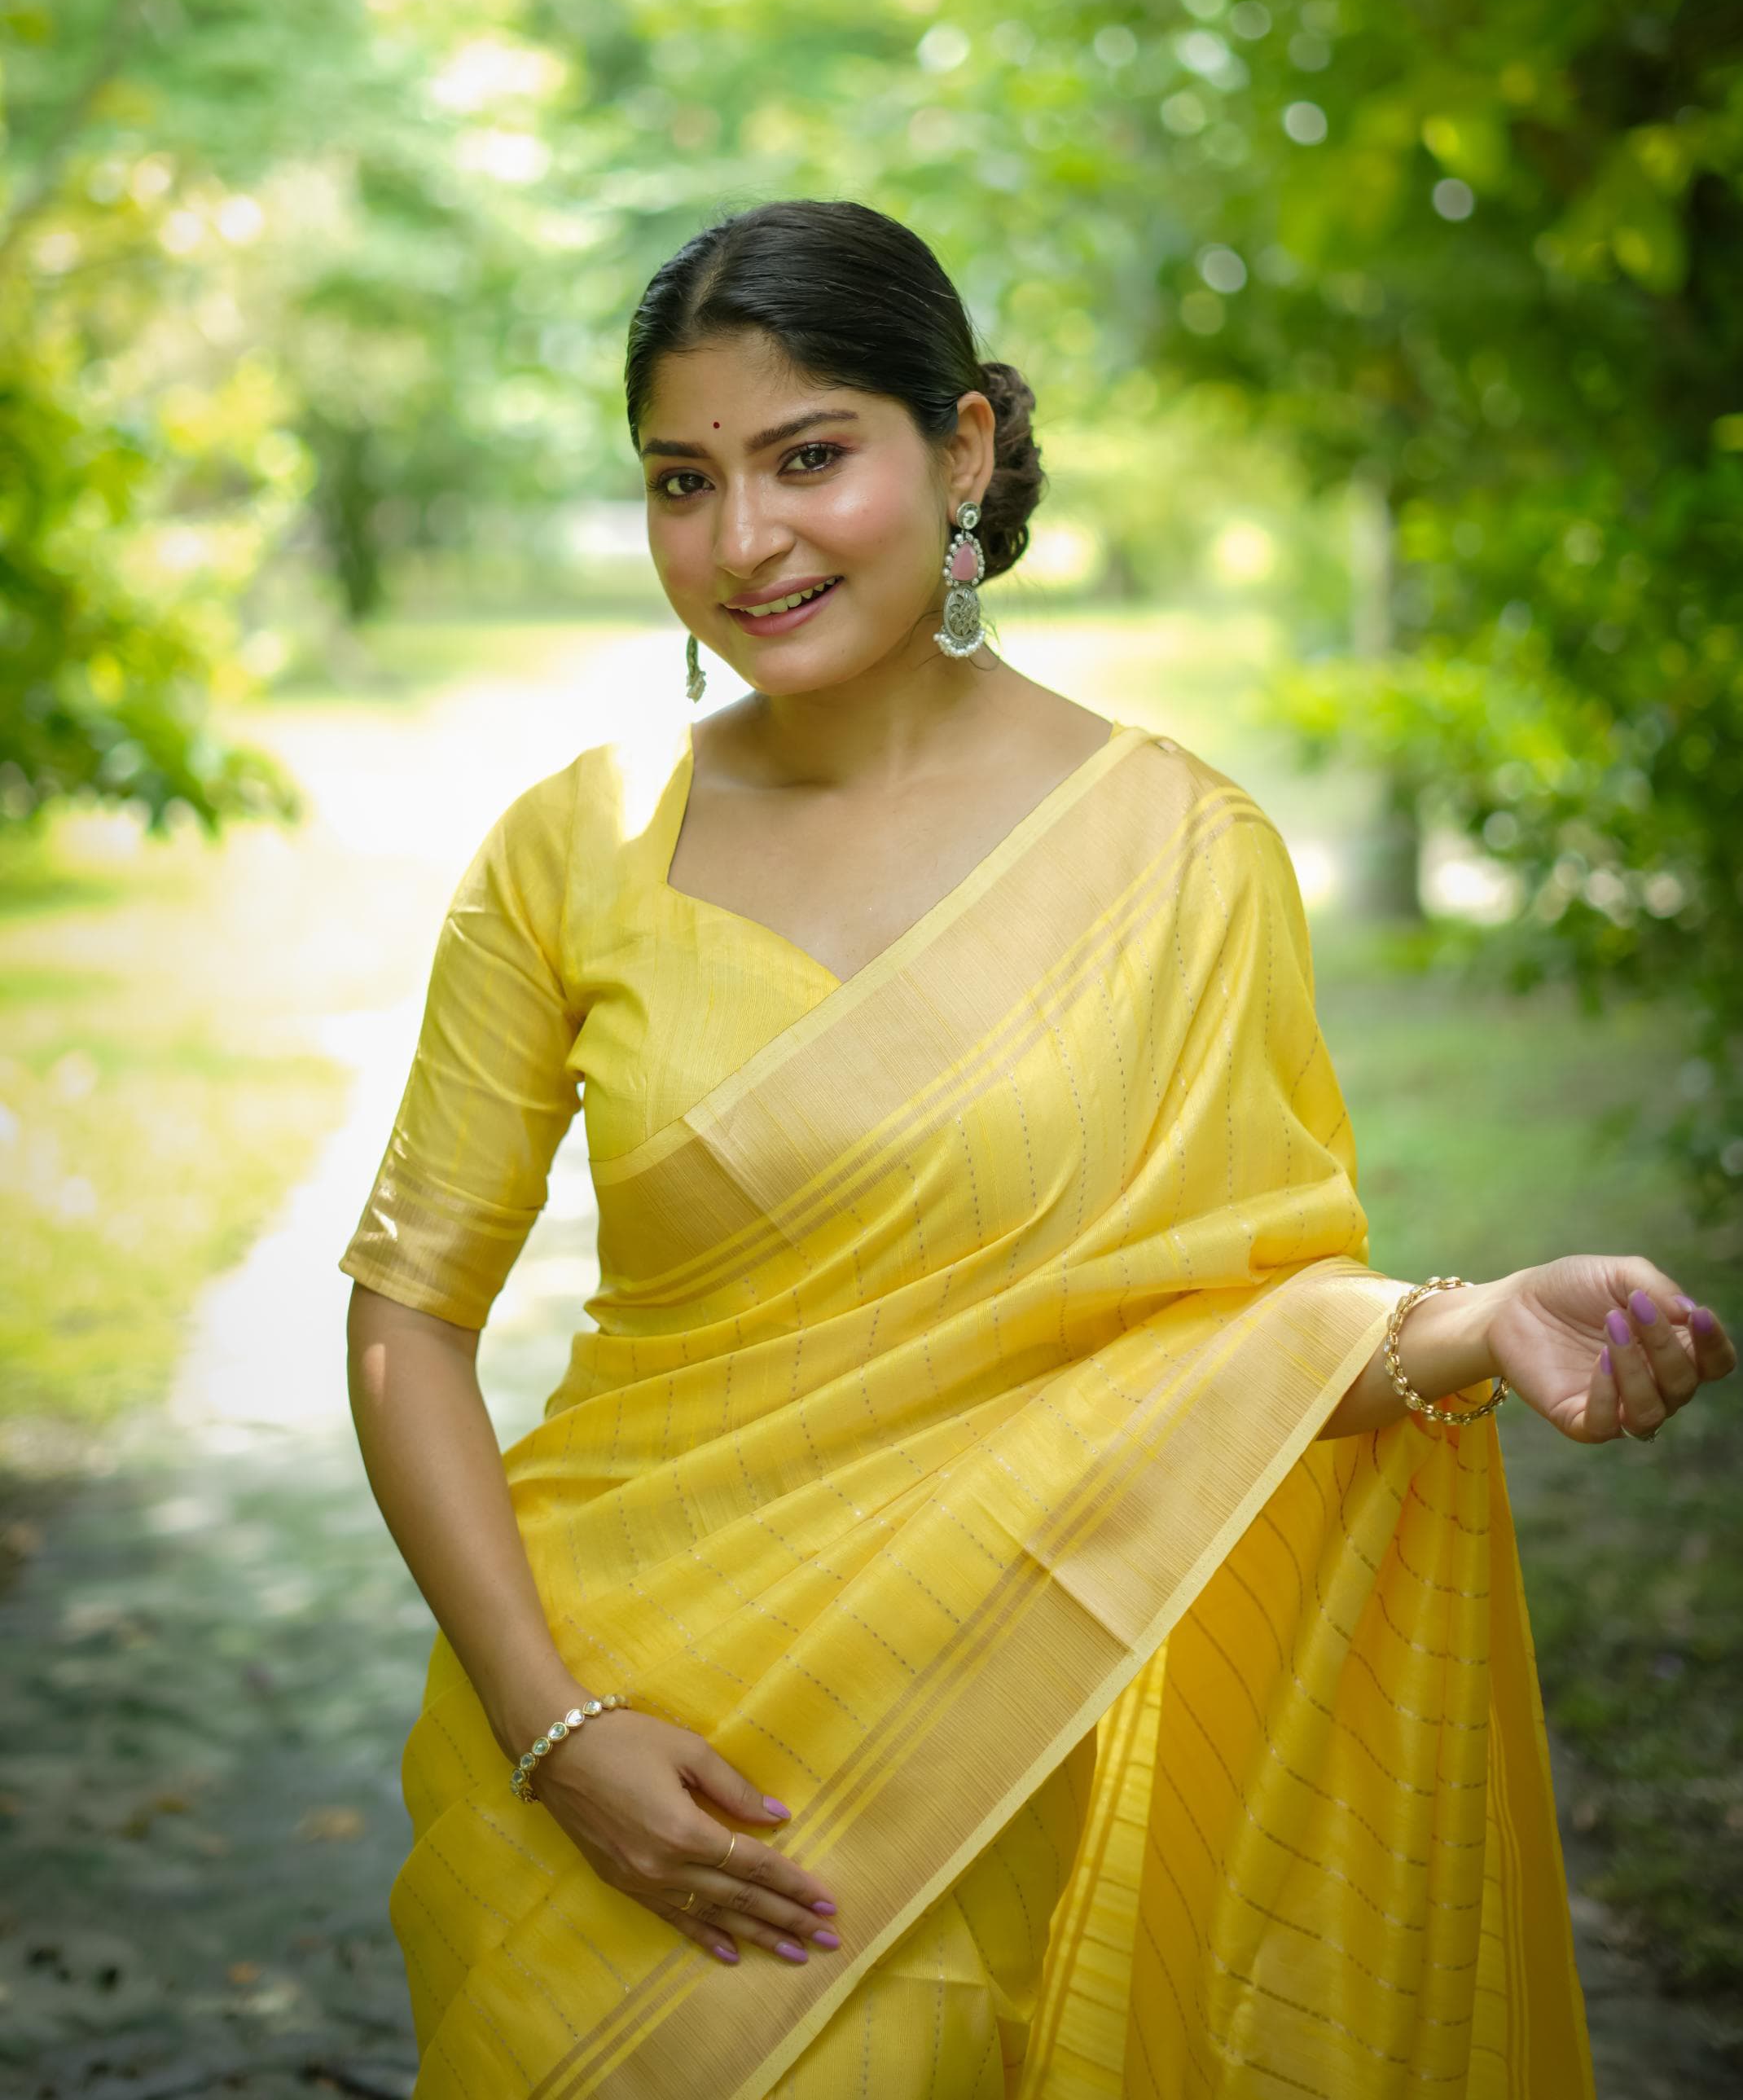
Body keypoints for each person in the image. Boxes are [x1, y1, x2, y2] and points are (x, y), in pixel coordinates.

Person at [341, 199, 1734, 2100]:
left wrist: (1475, 1322)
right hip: (610, 1728)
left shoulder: (1172, 852)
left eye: (808, 457)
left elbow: (1232, 1333)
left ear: (964, 450)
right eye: (683, 480)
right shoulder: (569, 851)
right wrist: (550, 1721)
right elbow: (404, 1320)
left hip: (977, 1732)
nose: (741, 541)